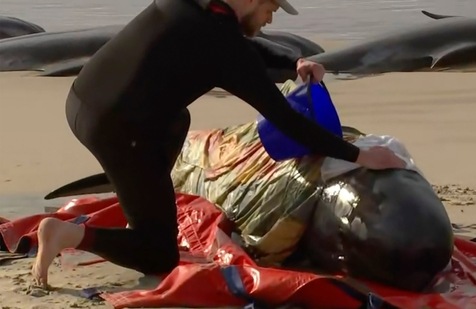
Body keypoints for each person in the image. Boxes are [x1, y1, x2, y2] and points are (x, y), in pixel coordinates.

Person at [31, 0, 406, 287]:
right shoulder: (221, 44)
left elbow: (242, 49)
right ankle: (67, 233)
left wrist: (295, 62)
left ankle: (145, 202)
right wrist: (358, 154)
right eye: (270, 7)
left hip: (83, 99)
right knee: (159, 254)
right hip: (118, 128)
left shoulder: (194, 9)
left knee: (177, 118)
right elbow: (285, 120)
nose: (271, 19)